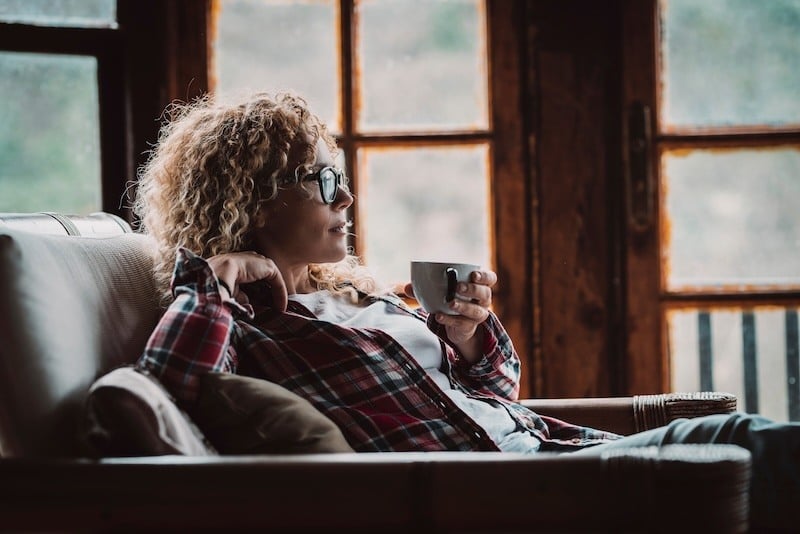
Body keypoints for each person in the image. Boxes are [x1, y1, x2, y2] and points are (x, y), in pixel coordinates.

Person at [133, 91, 796, 529]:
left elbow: (492, 397)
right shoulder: (248, 322)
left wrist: (471, 339)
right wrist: (212, 285)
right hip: (515, 493)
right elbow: (173, 385)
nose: (346, 198)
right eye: (324, 180)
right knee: (756, 447)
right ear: (254, 199)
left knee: (759, 449)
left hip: (542, 454)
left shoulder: (349, 298)